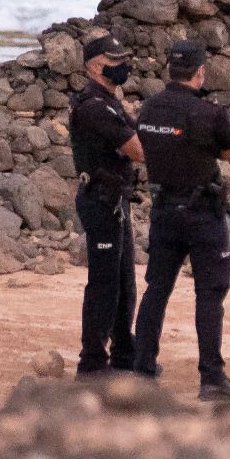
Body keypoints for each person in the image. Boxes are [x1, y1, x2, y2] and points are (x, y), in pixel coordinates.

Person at [132, 41, 230, 401]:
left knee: (157, 289)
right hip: (202, 211)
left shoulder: (150, 108)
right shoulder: (209, 113)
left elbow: (143, 150)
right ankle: (212, 378)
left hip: (164, 208)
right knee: (210, 294)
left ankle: (142, 368)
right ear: (200, 72)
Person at [69, 35, 143, 378]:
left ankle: (125, 354)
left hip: (116, 199)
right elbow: (137, 149)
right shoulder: (94, 106)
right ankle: (93, 362)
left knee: (125, 280)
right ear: (95, 66)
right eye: (115, 60)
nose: (123, 65)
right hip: (100, 201)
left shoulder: (110, 101)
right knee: (104, 283)